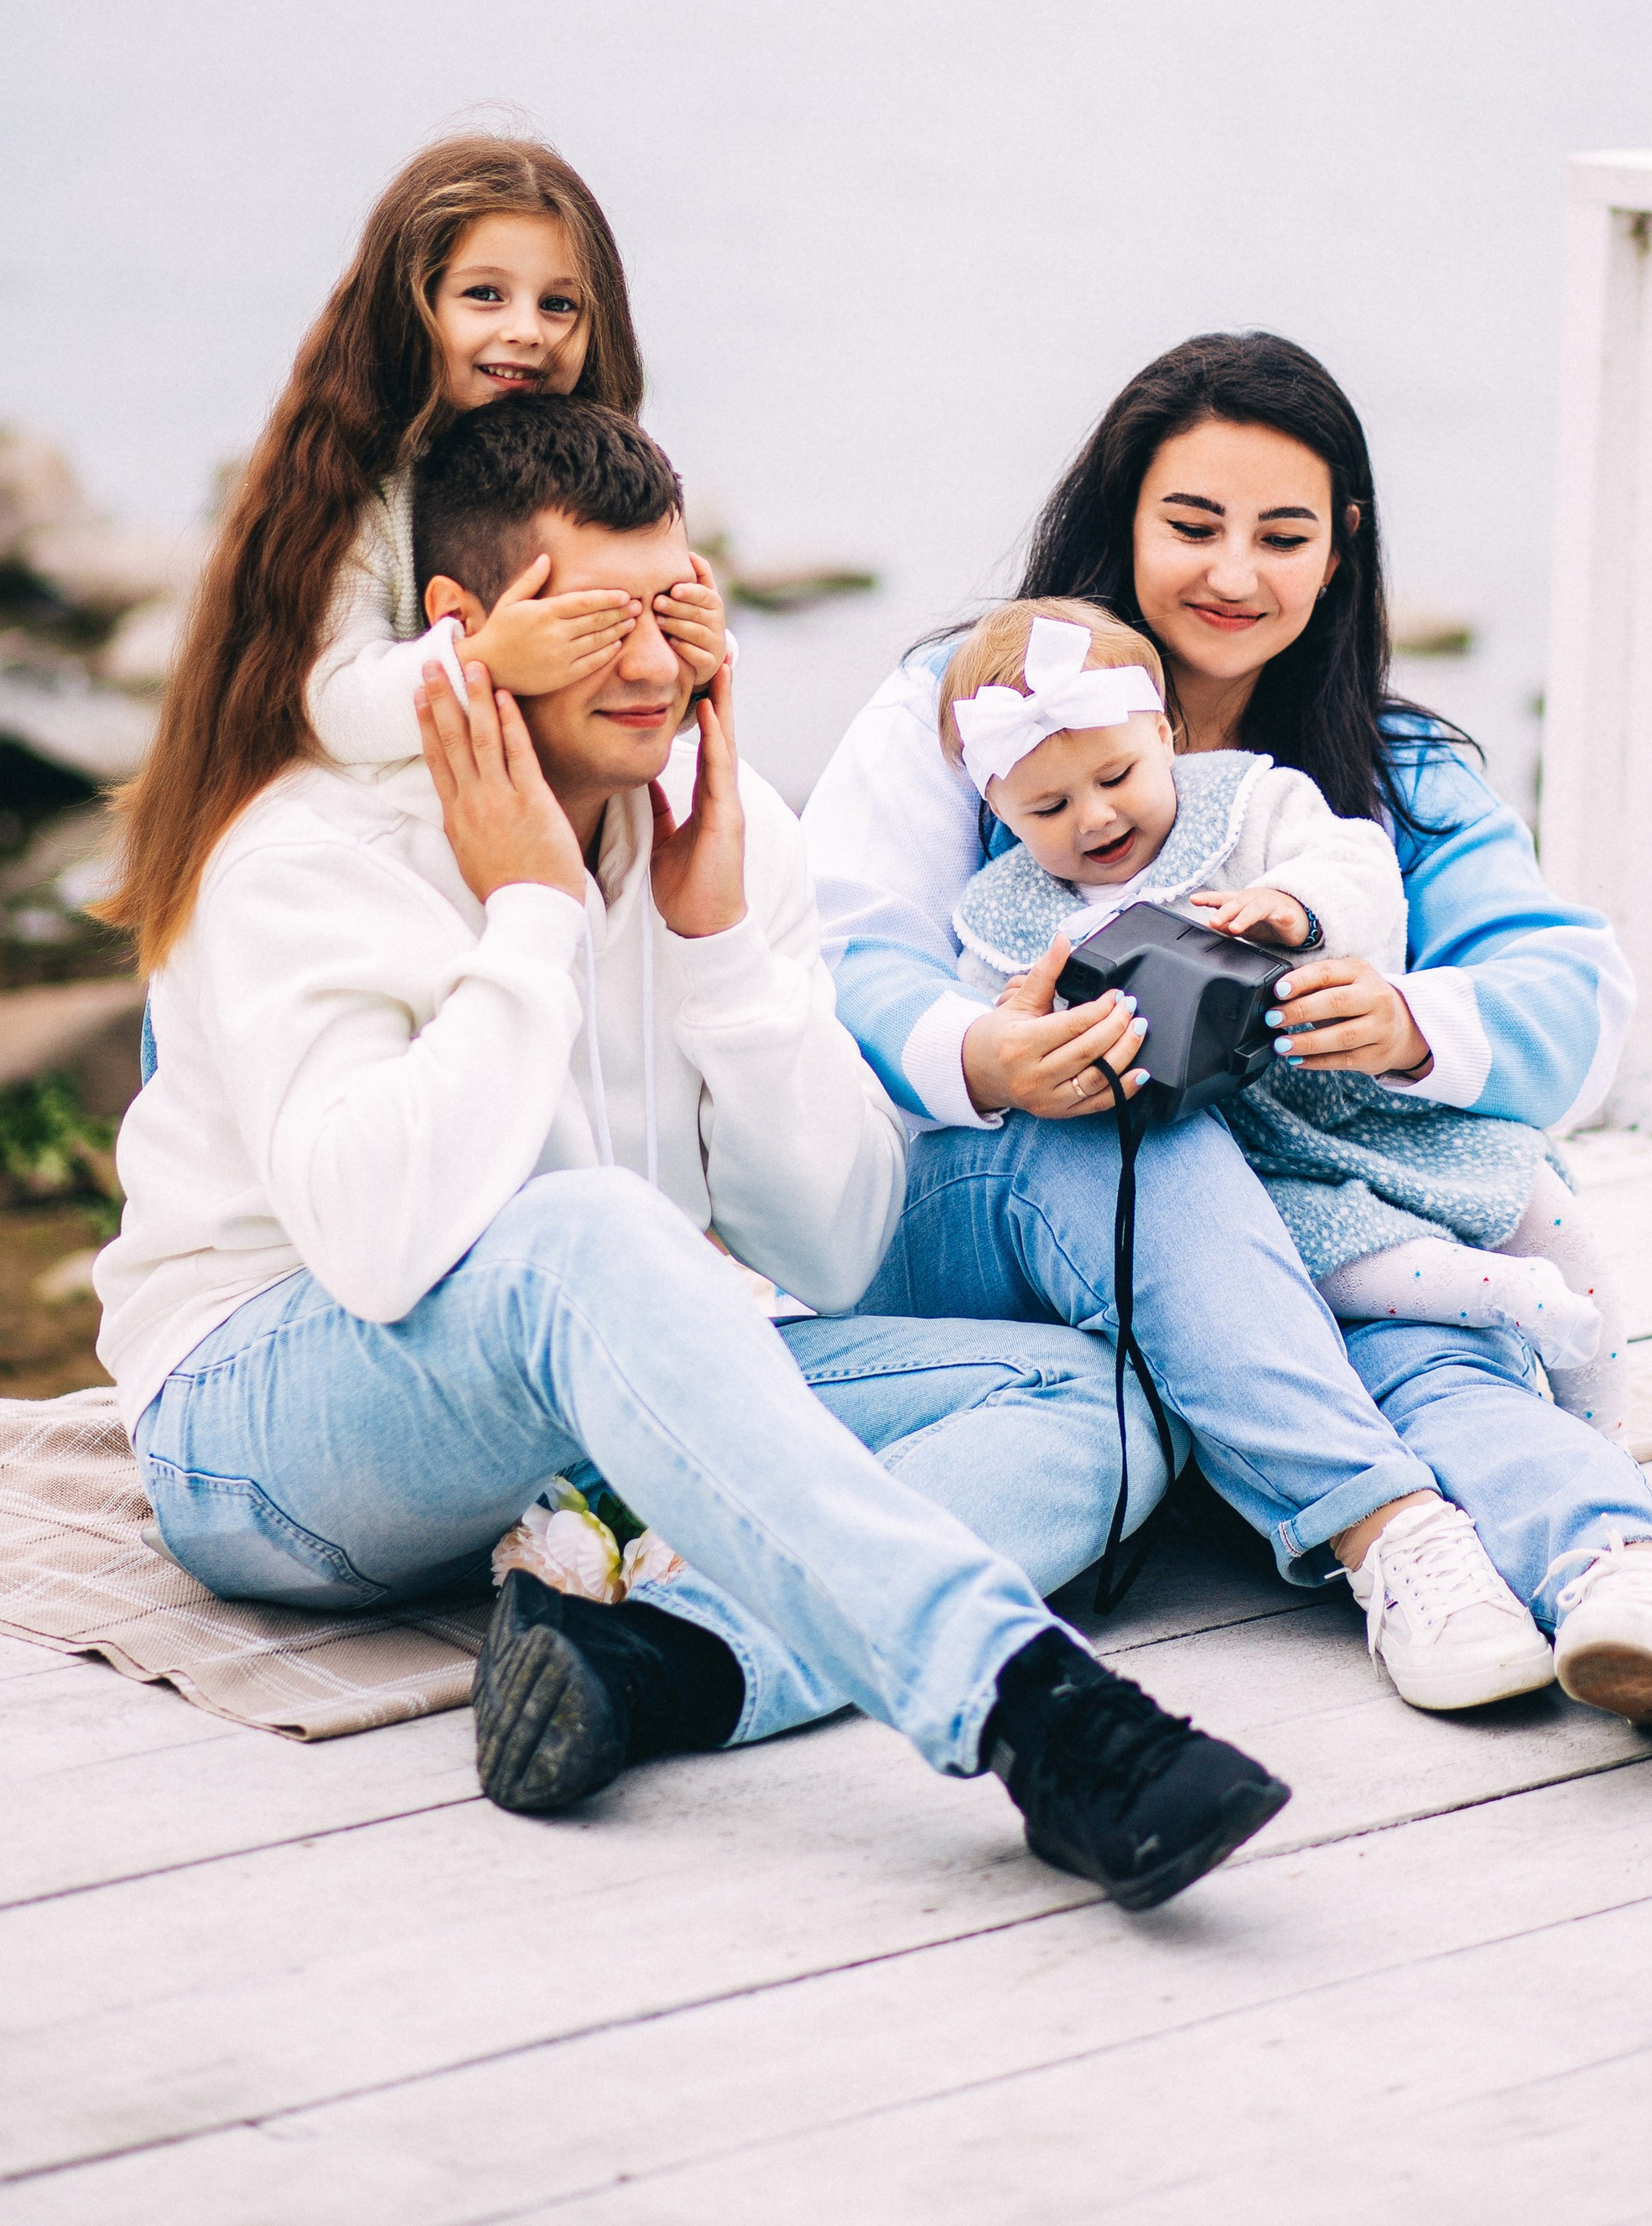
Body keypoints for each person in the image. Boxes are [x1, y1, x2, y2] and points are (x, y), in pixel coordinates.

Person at [91, 395, 1289, 1909]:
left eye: (674, 609)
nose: (657, 668)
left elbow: (837, 1251)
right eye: (600, 624)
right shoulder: (305, 851)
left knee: (1104, 1414)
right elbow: (382, 1247)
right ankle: (1027, 1709)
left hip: (583, 1401)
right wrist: (529, 916)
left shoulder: (722, 832)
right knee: (591, 1234)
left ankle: (661, 1660)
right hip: (267, 1427)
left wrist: (715, 946)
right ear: (464, 628)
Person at [804, 332, 1652, 1730]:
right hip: (987, 1200)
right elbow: (833, 958)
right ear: (1122, 517)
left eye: (1282, 534)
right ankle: (1392, 1540)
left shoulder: (1381, 771)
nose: (1232, 574)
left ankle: (1629, 1561)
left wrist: (1409, 1020)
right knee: (1151, 1132)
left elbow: (1571, 990)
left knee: (1423, 1348)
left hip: (1278, 1242)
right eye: (1190, 524)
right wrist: (987, 1054)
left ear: (1339, 550)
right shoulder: (982, 706)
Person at [938, 599, 1623, 1425]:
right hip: (1231, 1155)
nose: (1096, 816)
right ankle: (1487, 1293)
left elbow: (1360, 864)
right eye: (1046, 810)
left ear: (1163, 735)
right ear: (999, 812)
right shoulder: (1009, 919)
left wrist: (1294, 906)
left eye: (1116, 777)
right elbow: (993, 1045)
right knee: (1308, 1257)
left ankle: (1604, 1424)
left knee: (1538, 1201)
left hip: (1349, 1085)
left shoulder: (1250, 804)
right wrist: (1022, 1025)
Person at [96, 131, 729, 970]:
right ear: (411, 307)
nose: (526, 331)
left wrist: (696, 643)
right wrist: (486, 659)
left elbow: (629, 694)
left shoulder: (583, 479)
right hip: (308, 917)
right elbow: (341, 703)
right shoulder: (348, 497)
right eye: (484, 295)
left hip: (466, 886)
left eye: (559, 305)